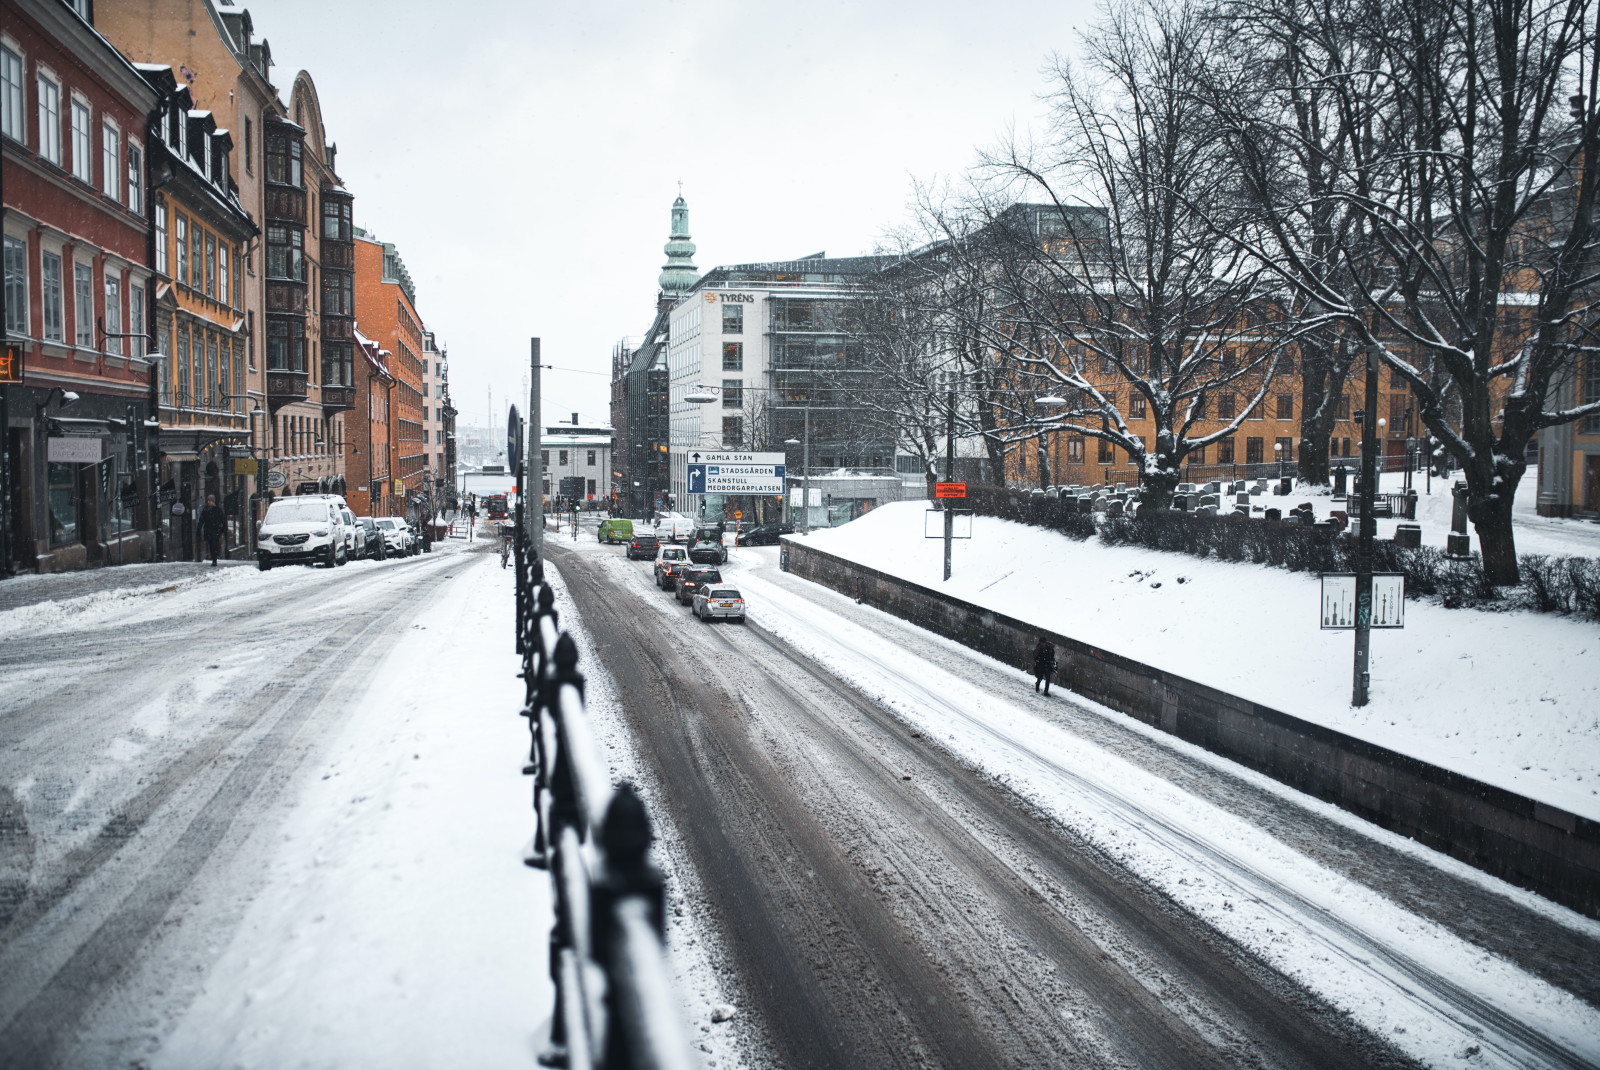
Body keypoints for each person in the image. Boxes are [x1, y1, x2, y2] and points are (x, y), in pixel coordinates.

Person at [198, 494, 227, 566]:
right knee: (211, 545)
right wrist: (198, 529)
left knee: (214, 544)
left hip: (216, 530)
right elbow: (201, 520)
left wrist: (224, 530)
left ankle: (214, 559)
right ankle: (213, 557)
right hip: (208, 530)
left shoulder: (218, 510)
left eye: (210, 501)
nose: (208, 502)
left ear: (213, 501)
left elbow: (223, 520)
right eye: (208, 500)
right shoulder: (205, 510)